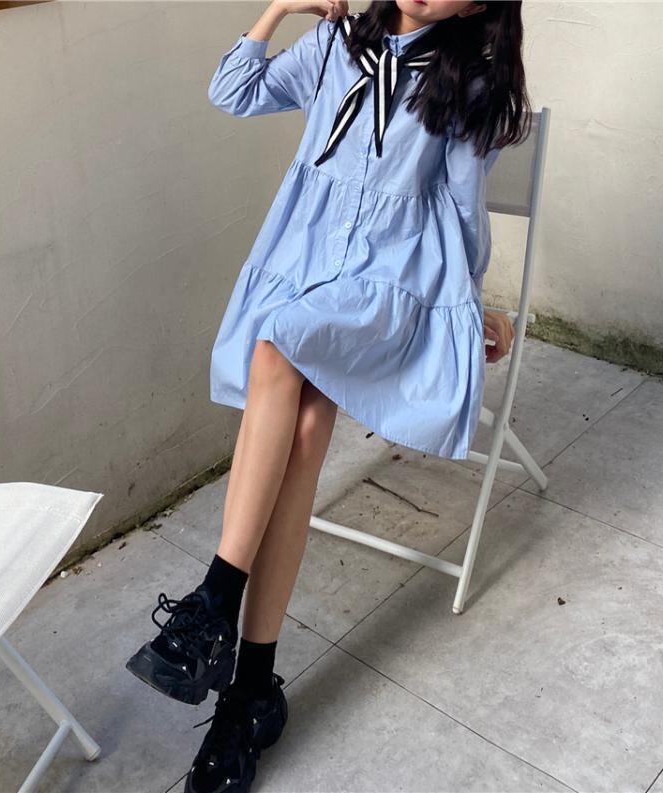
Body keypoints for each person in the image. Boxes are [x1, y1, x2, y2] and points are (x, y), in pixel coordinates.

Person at [127, 1, 529, 791]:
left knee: (276, 343)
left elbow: (461, 207)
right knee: (304, 438)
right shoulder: (335, 45)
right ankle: (251, 690)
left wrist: (471, 305)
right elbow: (234, 91)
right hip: (304, 262)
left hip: (385, 278)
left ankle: (215, 598)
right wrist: (279, 8)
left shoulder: (466, 80)